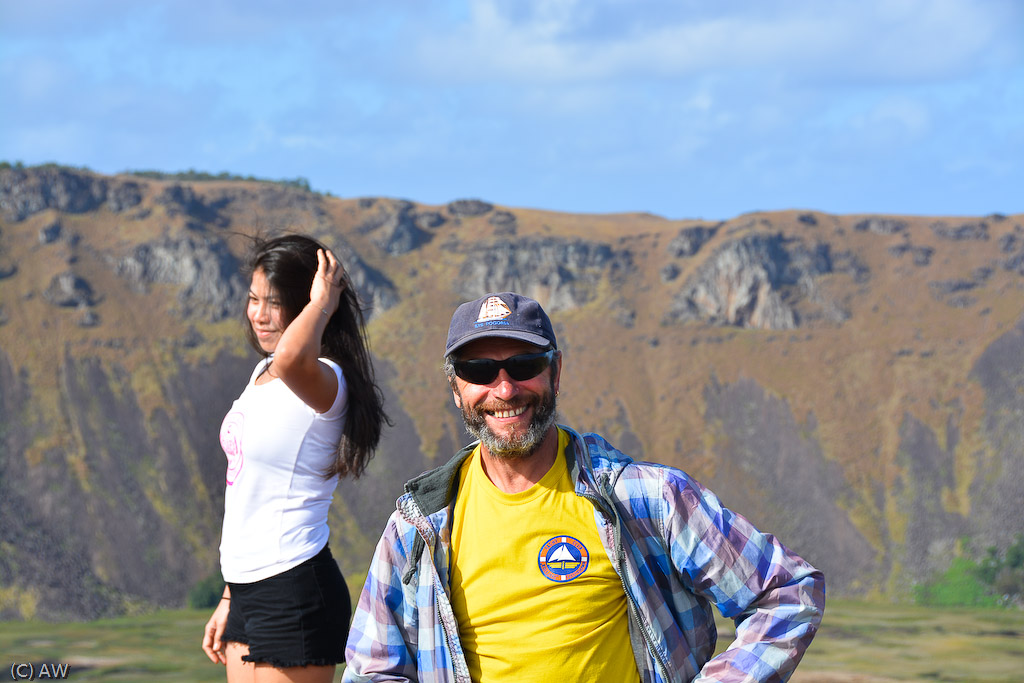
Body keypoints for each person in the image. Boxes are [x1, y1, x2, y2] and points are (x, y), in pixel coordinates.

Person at [344, 291, 825, 682]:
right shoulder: (418, 527)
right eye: (479, 371)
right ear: (456, 389)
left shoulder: (646, 500)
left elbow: (786, 593)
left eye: (525, 365)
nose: (505, 389)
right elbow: (372, 669)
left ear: (555, 372)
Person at [202, 234, 388, 683]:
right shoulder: (262, 372)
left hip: (294, 587)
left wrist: (324, 302)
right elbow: (250, 496)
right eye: (253, 299)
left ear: (308, 303)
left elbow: (290, 356)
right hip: (246, 590)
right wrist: (230, 595)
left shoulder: (326, 380)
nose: (259, 315)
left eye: (276, 302)